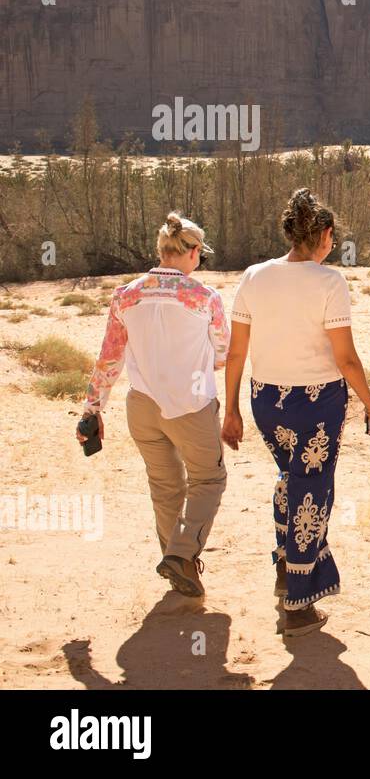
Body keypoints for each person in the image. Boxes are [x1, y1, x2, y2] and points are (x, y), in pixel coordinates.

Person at [220, 188, 370, 637]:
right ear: (325, 236)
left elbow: (237, 352)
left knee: (291, 477)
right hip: (317, 404)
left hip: (266, 401)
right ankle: (298, 600)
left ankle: (284, 563)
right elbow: (346, 359)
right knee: (313, 487)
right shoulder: (330, 282)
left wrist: (230, 409)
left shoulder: (253, 277)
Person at [78, 212, 229, 598]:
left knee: (164, 487)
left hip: (142, 406)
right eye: (201, 254)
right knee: (208, 480)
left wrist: (93, 408)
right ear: (192, 252)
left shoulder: (126, 295)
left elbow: (109, 357)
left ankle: (178, 565)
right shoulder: (204, 298)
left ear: (161, 251)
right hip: (190, 404)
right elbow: (222, 353)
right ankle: (181, 557)